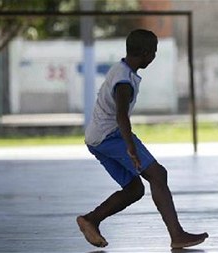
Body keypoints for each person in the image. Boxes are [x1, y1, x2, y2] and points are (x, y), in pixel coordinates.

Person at [77, 29, 209, 249]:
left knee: (135, 190)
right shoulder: (124, 82)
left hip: (96, 139)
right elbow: (121, 116)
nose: (154, 57)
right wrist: (131, 149)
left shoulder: (122, 69)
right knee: (158, 174)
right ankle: (177, 235)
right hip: (110, 136)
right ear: (146, 53)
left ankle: (91, 220)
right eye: (154, 52)